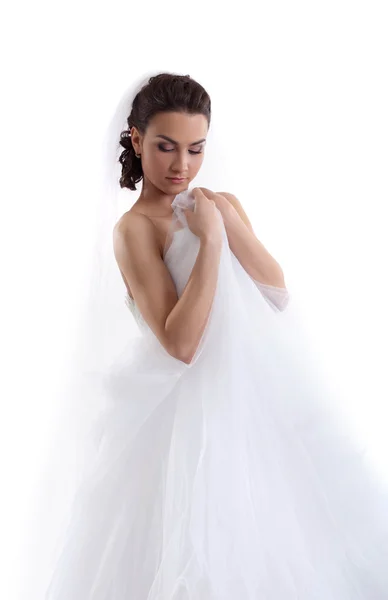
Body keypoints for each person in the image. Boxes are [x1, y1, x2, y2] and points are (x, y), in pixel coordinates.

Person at [45, 73, 388, 599]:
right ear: (136, 140)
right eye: (165, 147)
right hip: (181, 418)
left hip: (253, 397)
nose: (182, 165)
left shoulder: (217, 202)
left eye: (195, 148)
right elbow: (181, 345)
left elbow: (275, 292)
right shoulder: (135, 231)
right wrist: (209, 243)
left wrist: (226, 221)